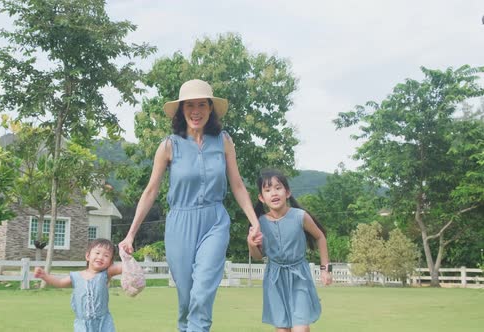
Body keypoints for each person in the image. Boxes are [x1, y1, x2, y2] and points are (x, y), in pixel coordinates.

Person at [119, 79, 262, 332]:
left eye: (202, 105)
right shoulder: (168, 146)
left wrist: (255, 221)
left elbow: (238, 185)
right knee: (186, 297)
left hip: (215, 220)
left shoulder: (224, 141)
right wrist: (130, 234)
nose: (196, 111)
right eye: (190, 105)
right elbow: (151, 190)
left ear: (210, 109)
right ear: (181, 110)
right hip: (180, 224)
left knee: (203, 288)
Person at [247, 169, 332, 332]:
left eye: (278, 187)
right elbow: (258, 256)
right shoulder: (259, 223)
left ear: (287, 192)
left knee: (301, 328)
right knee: (282, 330)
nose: (274, 193)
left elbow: (320, 237)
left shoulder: (300, 216)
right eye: (267, 190)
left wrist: (325, 269)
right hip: (274, 280)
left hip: (299, 276)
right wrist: (251, 243)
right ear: (261, 198)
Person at [34, 238, 122, 332]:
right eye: (97, 253)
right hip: (82, 325)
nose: (100, 257)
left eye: (106, 255)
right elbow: (59, 283)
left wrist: (125, 254)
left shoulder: (106, 274)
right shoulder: (76, 276)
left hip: (103, 323)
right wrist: (44, 276)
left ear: (110, 262)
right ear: (88, 256)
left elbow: (123, 267)